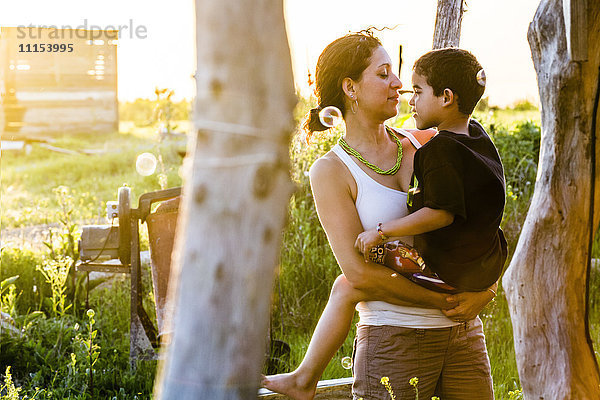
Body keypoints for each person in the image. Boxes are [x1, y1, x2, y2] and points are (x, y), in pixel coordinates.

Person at [263, 33, 497, 400]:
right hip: (395, 340)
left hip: (464, 335)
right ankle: (303, 380)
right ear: (350, 88)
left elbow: (480, 219)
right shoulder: (331, 171)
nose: (399, 84)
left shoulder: (428, 141)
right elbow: (357, 274)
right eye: (384, 73)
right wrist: (448, 301)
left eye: (396, 73)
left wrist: (487, 289)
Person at [355, 47, 508, 294]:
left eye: (417, 91)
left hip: (452, 272)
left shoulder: (441, 149)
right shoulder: (477, 135)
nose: (411, 100)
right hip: (486, 265)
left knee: (376, 254)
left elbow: (440, 214)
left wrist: (381, 232)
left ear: (446, 97)